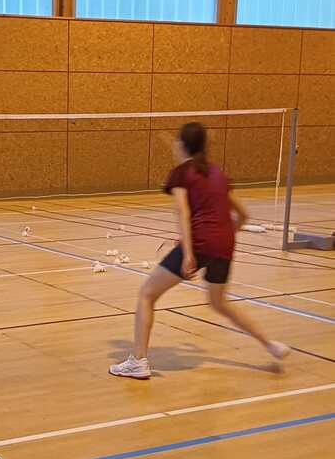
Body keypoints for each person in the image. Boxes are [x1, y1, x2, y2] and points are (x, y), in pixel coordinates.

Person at [110, 122, 290, 380]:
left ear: (182, 145)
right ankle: (271, 345)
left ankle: (138, 361)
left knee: (146, 295)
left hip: (199, 244)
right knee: (219, 302)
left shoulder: (181, 174)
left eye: (177, 141)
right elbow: (243, 215)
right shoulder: (217, 173)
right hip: (224, 245)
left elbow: (182, 211)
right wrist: (220, 237)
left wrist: (188, 252)